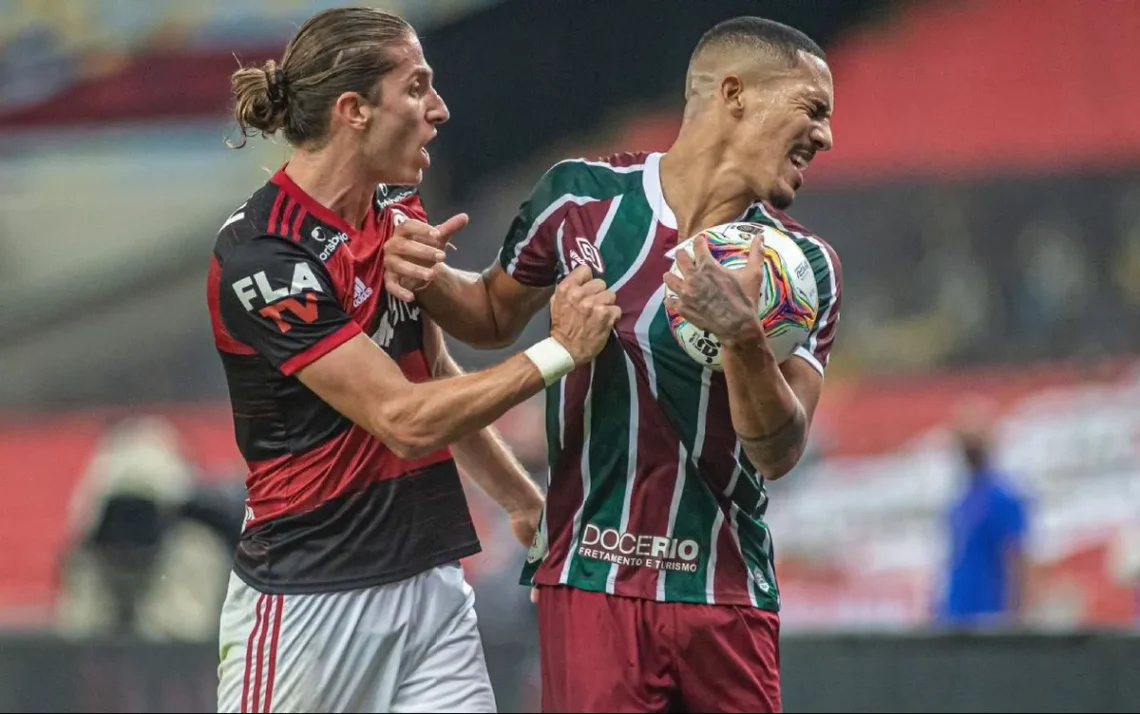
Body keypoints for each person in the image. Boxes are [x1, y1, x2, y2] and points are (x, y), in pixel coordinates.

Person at [383, 15, 843, 714]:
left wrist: (745, 339)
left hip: (725, 594)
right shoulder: (579, 200)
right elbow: (490, 316)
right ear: (734, 93)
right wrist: (425, 272)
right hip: (593, 581)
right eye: (813, 109)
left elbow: (778, 452)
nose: (826, 135)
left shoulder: (804, 269)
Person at [206, 7, 620, 713]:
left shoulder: (395, 208)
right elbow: (403, 417)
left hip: (430, 581)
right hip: (311, 596)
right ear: (353, 110)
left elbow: (431, 375)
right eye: (418, 86)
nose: (440, 108)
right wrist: (557, 353)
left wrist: (522, 501)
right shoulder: (263, 254)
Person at [939, 398, 1030, 629]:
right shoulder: (960, 499)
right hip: (955, 616)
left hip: (989, 618)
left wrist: (1014, 618)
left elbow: (1017, 558)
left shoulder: (1004, 496)